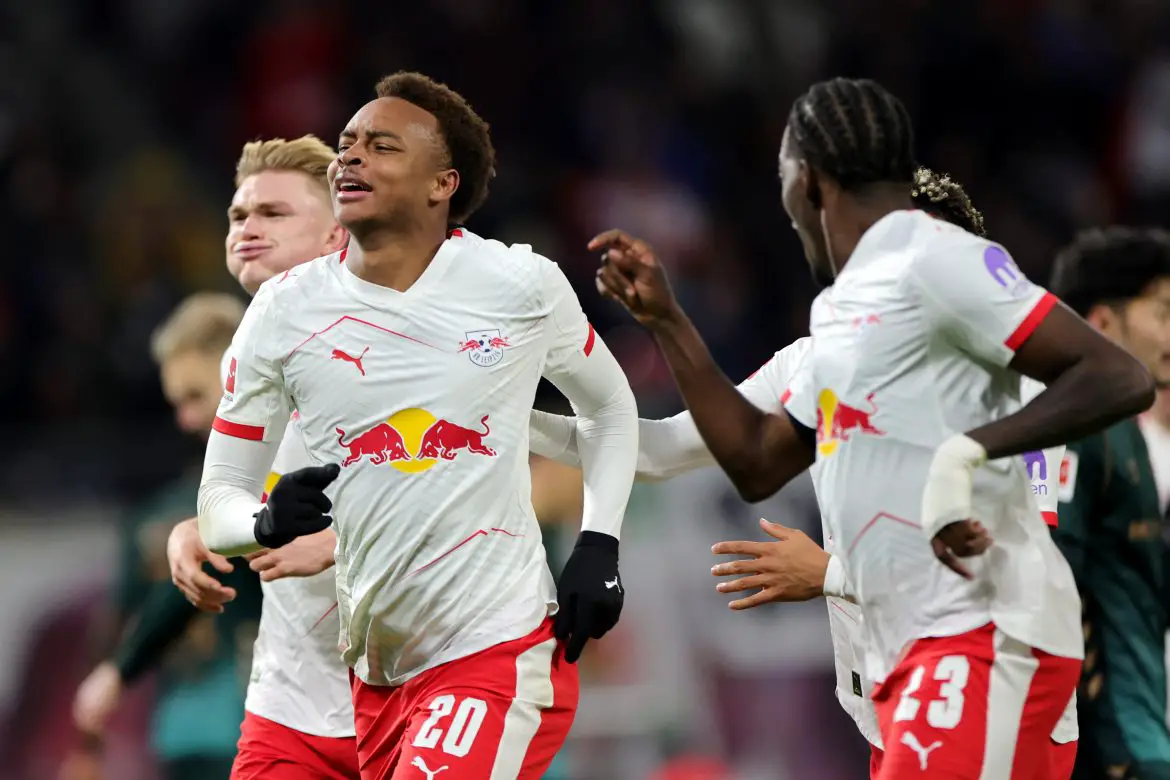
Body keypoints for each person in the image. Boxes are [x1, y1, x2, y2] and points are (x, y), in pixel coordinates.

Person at [589, 77, 1154, 778]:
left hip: (980, 640)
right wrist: (667, 324)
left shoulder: (935, 256)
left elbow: (1116, 377)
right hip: (906, 664)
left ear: (808, 181)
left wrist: (962, 456)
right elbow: (757, 461)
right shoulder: (844, 318)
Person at [528, 166, 1076, 777]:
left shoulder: (1021, 388)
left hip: (1001, 693)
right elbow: (658, 452)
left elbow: (1010, 567)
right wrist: (501, 415)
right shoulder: (814, 368)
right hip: (891, 708)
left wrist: (832, 573)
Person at [197, 72, 639, 779]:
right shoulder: (282, 311)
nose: (350, 158)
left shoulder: (519, 285)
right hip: (375, 676)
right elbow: (218, 497)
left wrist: (599, 542)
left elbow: (611, 409)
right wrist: (265, 522)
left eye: (381, 146)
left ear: (442, 183)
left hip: (493, 650)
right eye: (346, 145)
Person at [165, 135, 360, 780]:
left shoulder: (389, 342)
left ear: (338, 232)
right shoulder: (242, 361)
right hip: (291, 702)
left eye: (273, 213)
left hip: (411, 687)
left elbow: (472, 492)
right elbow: (259, 500)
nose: (247, 227)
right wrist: (200, 527)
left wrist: (339, 544)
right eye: (238, 215)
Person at [70, 293, 263, 780]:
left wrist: (115, 674)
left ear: (234, 371)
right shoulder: (215, 498)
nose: (185, 419)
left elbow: (119, 623)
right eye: (176, 402)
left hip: (257, 723)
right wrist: (117, 675)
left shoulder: (280, 471)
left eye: (195, 396)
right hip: (230, 725)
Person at [1047, 227, 1170, 780]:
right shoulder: (1074, 428)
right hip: (1112, 749)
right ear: (1102, 324)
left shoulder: (1126, 429)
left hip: (1142, 735)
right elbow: (1051, 581)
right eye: (1164, 315)